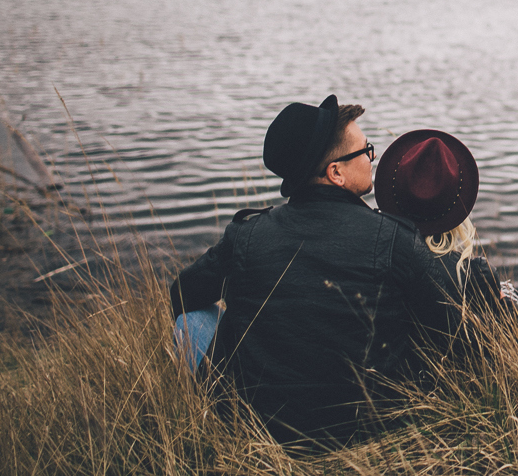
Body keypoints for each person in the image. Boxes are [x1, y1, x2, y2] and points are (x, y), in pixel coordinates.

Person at [169, 96, 468, 446]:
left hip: (259, 431)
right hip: (368, 434)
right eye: (365, 151)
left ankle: (217, 415)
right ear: (335, 172)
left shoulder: (245, 236)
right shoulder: (394, 239)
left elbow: (182, 294)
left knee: (191, 320)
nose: (372, 158)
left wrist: (236, 329)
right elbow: (451, 331)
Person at [373, 129, 518, 361]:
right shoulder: (469, 274)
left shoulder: (378, 257)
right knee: (505, 297)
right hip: (455, 365)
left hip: (398, 363)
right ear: (455, 205)